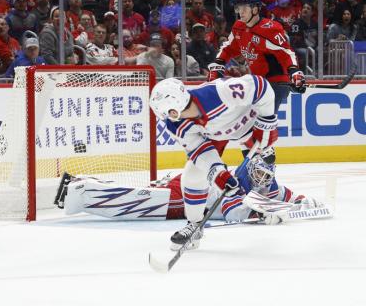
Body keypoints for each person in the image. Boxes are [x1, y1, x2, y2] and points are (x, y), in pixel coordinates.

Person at [146, 75, 278, 249]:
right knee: (193, 173)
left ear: (175, 107)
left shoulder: (219, 92)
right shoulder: (176, 126)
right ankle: (195, 225)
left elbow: (261, 86)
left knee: (262, 163)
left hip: (249, 124)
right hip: (216, 135)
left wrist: (267, 122)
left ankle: (268, 186)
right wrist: (218, 174)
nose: (167, 119)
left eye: (168, 113)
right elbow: (199, 152)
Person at [56, 154, 322, 224]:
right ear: (250, 169)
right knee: (139, 203)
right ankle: (81, 190)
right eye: (260, 172)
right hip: (184, 195)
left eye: (266, 174)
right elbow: (233, 213)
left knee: (145, 194)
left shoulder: (264, 181)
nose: (263, 178)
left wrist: (303, 201)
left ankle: (83, 184)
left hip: (191, 186)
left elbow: (284, 194)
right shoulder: (235, 182)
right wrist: (260, 215)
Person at [208, 0, 306, 114]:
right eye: (239, 8)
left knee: (262, 122)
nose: (240, 12)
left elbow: (286, 53)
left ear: (255, 9)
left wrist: (294, 72)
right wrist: (218, 64)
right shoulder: (239, 27)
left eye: (244, 8)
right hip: (257, 83)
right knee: (245, 121)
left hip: (276, 82)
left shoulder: (270, 29)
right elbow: (229, 48)